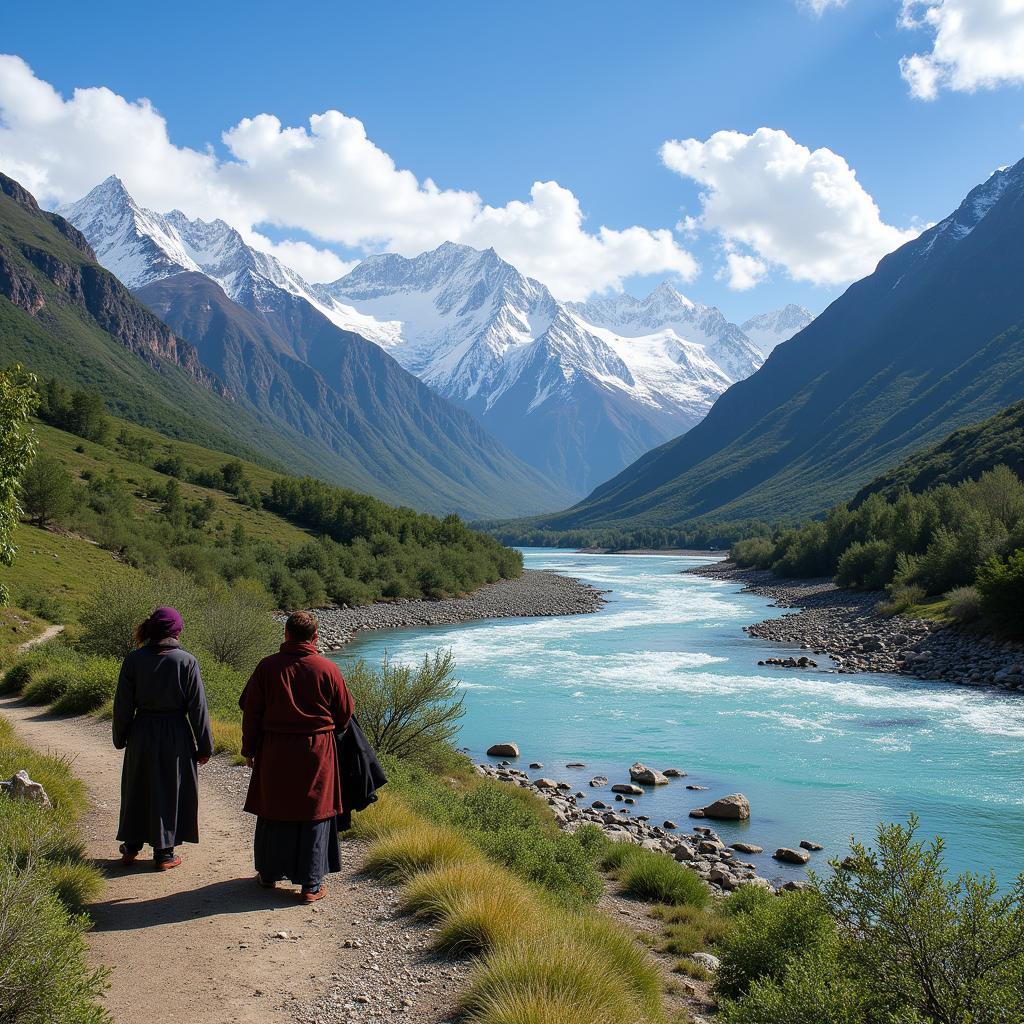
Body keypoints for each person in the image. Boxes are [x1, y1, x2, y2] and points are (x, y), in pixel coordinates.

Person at [239, 610, 353, 902]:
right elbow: (344, 714)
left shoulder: (267, 667)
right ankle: (311, 885)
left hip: (275, 749)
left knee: (273, 808)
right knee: (314, 812)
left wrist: (249, 749)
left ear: (286, 634)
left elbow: (251, 711)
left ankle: (268, 874)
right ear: (315, 637)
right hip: (317, 750)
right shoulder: (327, 669)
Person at [112, 606, 213, 870]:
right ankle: (164, 853)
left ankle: (131, 847)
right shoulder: (186, 661)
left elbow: (122, 706)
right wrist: (205, 747)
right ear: (176, 631)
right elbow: (198, 708)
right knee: (170, 789)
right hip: (175, 733)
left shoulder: (133, 660)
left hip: (142, 732)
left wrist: (121, 737)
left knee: (138, 787)